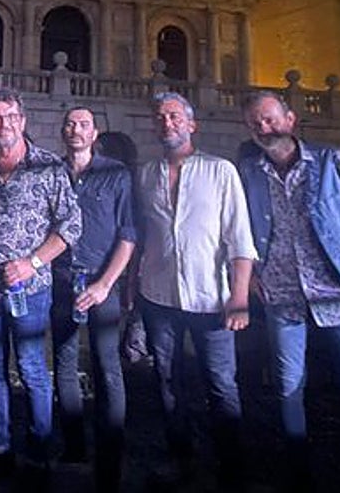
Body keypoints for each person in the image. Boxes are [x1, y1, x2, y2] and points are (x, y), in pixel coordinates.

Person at [237, 90, 340, 490]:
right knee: (289, 391)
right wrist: (249, 275)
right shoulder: (249, 173)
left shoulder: (333, 162)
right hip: (283, 299)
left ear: (290, 119)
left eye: (269, 118)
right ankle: (299, 472)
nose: (262, 127)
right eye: (255, 122)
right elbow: (240, 233)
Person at [134, 92, 255, 490]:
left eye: (174, 116)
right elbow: (143, 235)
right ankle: (181, 459)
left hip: (212, 300)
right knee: (168, 381)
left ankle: (233, 467)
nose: (166, 123)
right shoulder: (146, 173)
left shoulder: (220, 171)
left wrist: (239, 298)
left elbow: (240, 238)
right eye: (160, 117)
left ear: (191, 124)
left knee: (221, 384)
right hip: (158, 296)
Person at [0, 89, 81, 492]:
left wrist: (31, 263)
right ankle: (0, 450)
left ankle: (38, 455)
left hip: (30, 290)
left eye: (10, 116)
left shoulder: (48, 166)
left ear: (23, 119)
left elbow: (70, 227)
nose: (4, 125)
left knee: (32, 369)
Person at [52, 106, 135, 491]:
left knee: (107, 367)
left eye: (83, 124)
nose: (76, 130)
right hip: (60, 282)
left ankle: (111, 455)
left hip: (102, 285)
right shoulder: (52, 173)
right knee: (65, 362)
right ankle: (73, 448)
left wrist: (105, 284)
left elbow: (128, 234)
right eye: (70, 124)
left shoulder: (115, 173)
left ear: (95, 132)